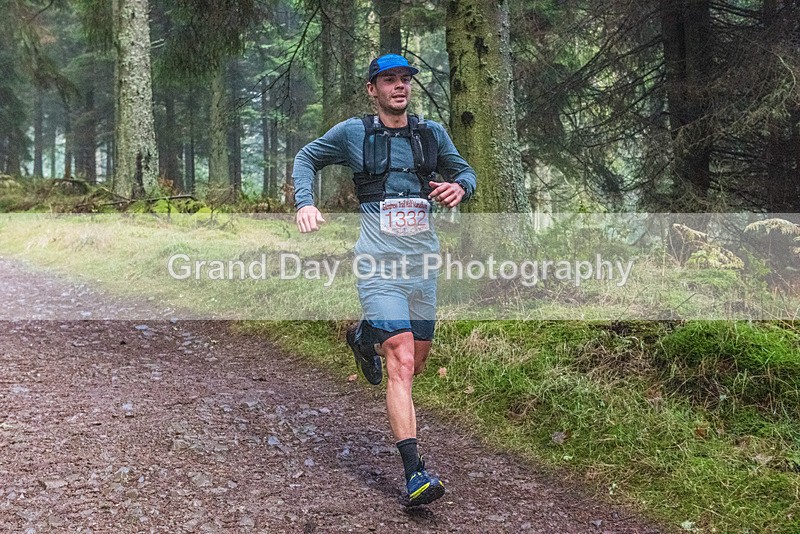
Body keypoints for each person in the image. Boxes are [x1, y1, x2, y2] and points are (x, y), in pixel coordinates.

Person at [292, 53, 477, 506]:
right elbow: (306, 157)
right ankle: (415, 473)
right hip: (377, 266)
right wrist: (304, 202)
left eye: (405, 80)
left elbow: (465, 170)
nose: (400, 87)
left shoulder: (431, 133)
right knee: (401, 362)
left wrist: (461, 187)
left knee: (418, 360)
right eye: (389, 80)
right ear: (372, 88)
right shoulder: (355, 132)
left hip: (423, 267)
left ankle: (362, 336)